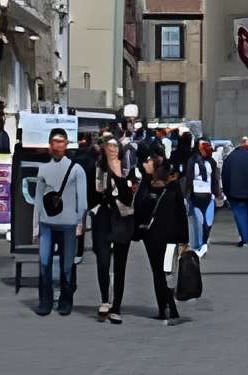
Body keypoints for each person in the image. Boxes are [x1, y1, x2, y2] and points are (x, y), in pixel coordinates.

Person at [31, 127, 87, 318]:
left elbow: (83, 199)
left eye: (61, 141)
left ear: (67, 145)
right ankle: (45, 301)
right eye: (54, 141)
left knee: (67, 264)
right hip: (47, 224)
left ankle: (66, 300)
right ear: (49, 144)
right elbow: (37, 200)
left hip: (69, 225)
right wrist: (36, 227)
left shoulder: (76, 169)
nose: (58, 145)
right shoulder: (43, 169)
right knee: (44, 263)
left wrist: (80, 222)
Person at [134, 149, 189, 322]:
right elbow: (139, 209)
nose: (145, 164)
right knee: (159, 272)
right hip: (153, 236)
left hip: (167, 236)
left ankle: (168, 306)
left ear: (156, 166)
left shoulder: (171, 185)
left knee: (165, 272)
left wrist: (184, 240)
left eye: (148, 162)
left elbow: (181, 212)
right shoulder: (146, 184)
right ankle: (164, 307)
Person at [92, 135, 138, 322]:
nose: (112, 150)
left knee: (120, 265)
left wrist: (120, 179)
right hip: (103, 217)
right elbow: (98, 191)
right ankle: (105, 299)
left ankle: (116, 305)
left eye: (115, 146)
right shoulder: (100, 168)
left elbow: (130, 195)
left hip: (123, 218)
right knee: (103, 261)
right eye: (108, 147)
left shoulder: (127, 168)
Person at [187, 139, 221, 254]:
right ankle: (200, 244)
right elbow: (189, 179)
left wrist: (217, 194)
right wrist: (187, 195)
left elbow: (215, 179)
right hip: (196, 195)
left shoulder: (211, 162)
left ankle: (203, 243)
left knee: (208, 222)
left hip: (208, 195)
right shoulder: (192, 161)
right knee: (200, 221)